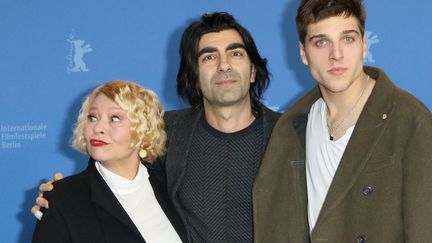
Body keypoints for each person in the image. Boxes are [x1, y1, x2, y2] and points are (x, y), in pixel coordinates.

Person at [32, 12, 280, 242]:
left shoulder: (288, 134)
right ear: (193, 77)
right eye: (209, 57)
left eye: (235, 53)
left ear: (253, 72)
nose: (224, 65)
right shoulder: (168, 131)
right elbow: (115, 165)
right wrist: (63, 198)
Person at [253, 0, 432, 242]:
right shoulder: (292, 126)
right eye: (321, 42)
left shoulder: (410, 120)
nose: (336, 55)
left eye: (348, 39)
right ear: (303, 53)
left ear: (364, 44)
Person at [32, 81, 186, 242]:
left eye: (114, 118)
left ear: (144, 131)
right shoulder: (62, 198)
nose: (98, 127)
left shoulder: (171, 185)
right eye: (92, 117)